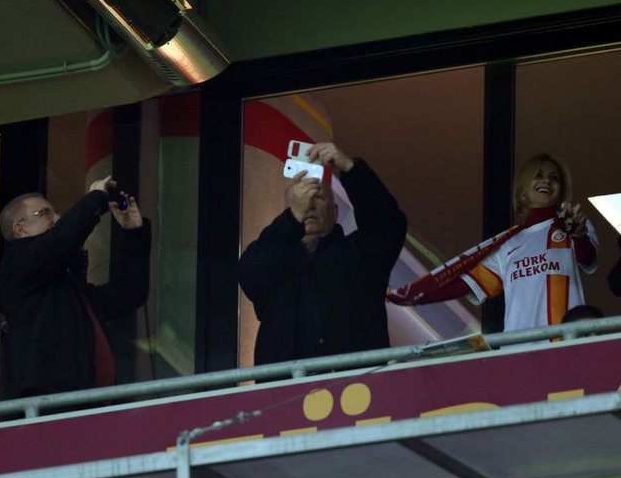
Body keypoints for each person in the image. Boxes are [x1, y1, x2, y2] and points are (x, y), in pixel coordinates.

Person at [238, 142, 407, 365]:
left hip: (359, 383)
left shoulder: (359, 253)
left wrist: (351, 169)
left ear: (335, 211)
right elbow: (248, 273)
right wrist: (291, 221)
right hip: (288, 385)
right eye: (299, 200)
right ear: (287, 212)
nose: (308, 205)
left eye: (318, 197)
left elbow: (389, 224)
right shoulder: (274, 260)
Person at [396, 153, 598, 332]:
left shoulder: (574, 226)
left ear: (561, 190)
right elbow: (464, 285)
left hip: (564, 342)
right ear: (522, 190)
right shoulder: (508, 244)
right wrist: (414, 296)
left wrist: (578, 234)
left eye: (554, 178)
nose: (547, 180)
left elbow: (588, 261)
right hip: (517, 347)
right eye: (538, 175)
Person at [0, 176, 151, 399]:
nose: (57, 218)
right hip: (49, 407)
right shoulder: (17, 264)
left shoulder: (68, 291)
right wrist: (95, 198)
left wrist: (134, 232)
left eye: (57, 213)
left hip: (90, 406)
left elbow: (129, 293)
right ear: (20, 228)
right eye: (45, 213)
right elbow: (61, 240)